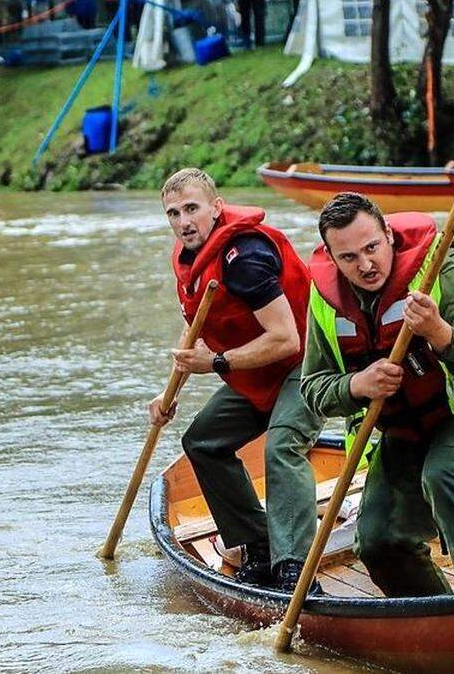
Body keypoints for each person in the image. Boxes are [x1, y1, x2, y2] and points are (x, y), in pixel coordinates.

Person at [300, 192, 454, 597]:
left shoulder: (444, 266)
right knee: (377, 540)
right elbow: (313, 388)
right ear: (332, 257)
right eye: (349, 257)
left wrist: (439, 332)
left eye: (372, 247)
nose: (366, 264)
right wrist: (356, 385)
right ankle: (439, 619)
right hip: (407, 426)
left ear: (388, 234)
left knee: (447, 473)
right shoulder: (324, 298)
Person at [152, 168, 323, 591]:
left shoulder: (245, 257)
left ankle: (293, 567)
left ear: (216, 207)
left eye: (192, 209)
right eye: (174, 213)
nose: (184, 222)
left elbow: (286, 339)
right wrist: (167, 391)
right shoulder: (190, 256)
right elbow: (194, 330)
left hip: (307, 363)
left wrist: (218, 363)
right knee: (202, 442)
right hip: (254, 368)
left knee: (282, 446)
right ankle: (258, 544)